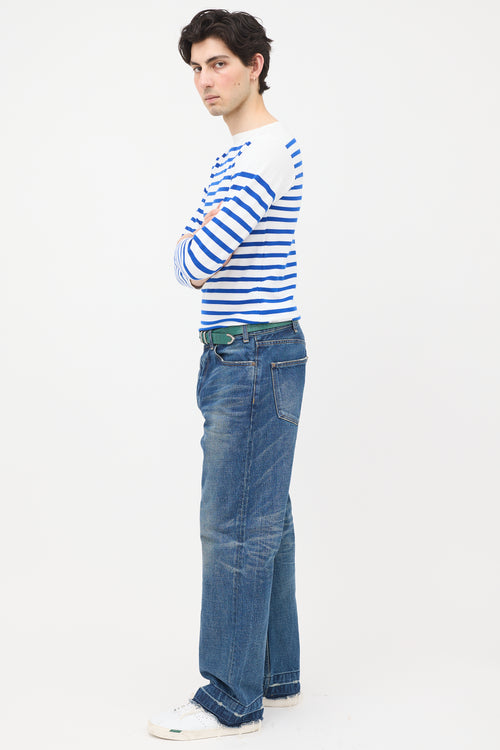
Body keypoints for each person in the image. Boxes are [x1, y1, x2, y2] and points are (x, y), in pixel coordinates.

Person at [148, 9, 307, 741]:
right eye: (196, 68)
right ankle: (274, 676)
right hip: (242, 354)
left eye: (218, 64)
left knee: (234, 527)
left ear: (255, 65)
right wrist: (196, 244)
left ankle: (230, 698)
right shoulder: (235, 155)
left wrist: (192, 244)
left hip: (252, 355)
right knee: (264, 518)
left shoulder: (265, 152)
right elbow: (201, 252)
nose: (205, 81)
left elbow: (197, 260)